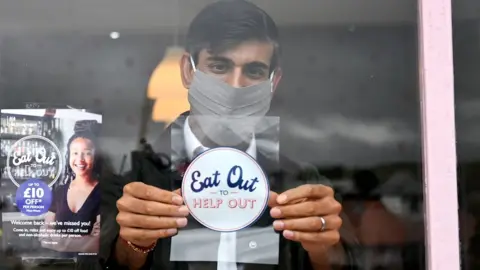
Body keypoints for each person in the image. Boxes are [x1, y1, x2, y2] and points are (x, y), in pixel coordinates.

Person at [99, 1, 361, 269]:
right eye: (219, 66)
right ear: (188, 71)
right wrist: (131, 245)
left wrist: (326, 249)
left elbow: (350, 262)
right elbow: (97, 261)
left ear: (274, 82)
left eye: (254, 70)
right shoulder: (133, 180)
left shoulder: (302, 185)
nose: (235, 86)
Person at [40, 131, 101, 253]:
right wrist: (84, 241)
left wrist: (58, 240)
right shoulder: (59, 191)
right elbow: (44, 237)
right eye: (75, 153)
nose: (80, 159)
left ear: (95, 157)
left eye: (87, 153)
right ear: (69, 156)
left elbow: (97, 244)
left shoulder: (103, 193)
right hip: (58, 265)